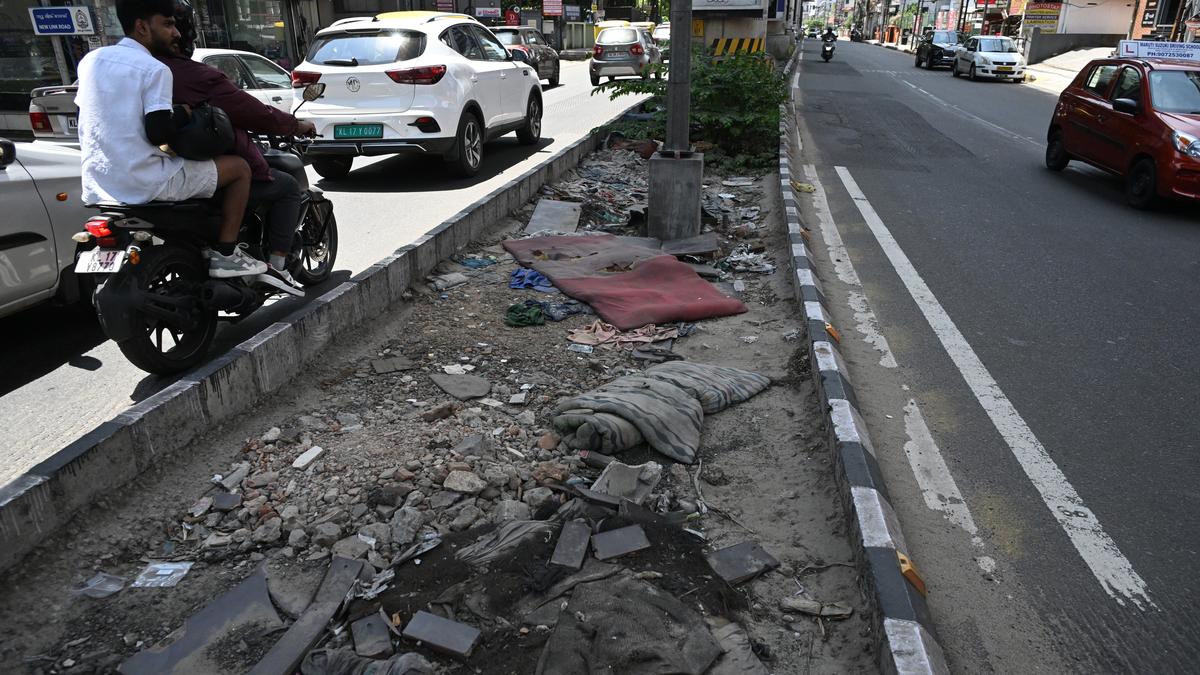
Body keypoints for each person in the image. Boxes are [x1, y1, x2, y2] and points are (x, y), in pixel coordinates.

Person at [75, 0, 263, 279]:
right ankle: (226, 254)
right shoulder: (155, 69)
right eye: (168, 24)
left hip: (98, 182)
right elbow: (159, 132)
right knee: (239, 169)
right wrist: (185, 113)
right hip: (145, 181)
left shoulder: (91, 60)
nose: (176, 33)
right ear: (141, 26)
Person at [158, 0, 315, 292]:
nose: (176, 33)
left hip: (161, 170)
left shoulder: (136, 72)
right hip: (195, 172)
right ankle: (276, 266)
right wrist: (296, 125)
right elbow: (253, 112)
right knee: (285, 187)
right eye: (169, 26)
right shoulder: (193, 76)